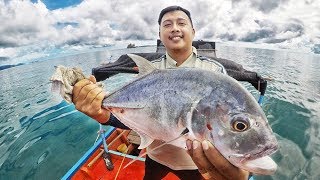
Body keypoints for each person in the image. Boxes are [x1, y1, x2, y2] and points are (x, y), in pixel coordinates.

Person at [72, 5, 250, 180]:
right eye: (167, 25)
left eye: (181, 23)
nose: (175, 29)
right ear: (159, 35)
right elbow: (135, 112)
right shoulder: (151, 71)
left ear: (193, 31)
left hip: (195, 164)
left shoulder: (214, 72)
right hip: (156, 157)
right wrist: (102, 114)